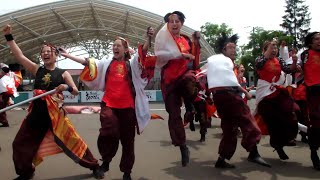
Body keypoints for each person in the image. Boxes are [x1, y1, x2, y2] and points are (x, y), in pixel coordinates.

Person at [3, 24, 104, 180]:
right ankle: (26, 173)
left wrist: (66, 88)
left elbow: (75, 90)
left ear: (56, 55)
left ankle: (95, 166)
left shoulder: (63, 73)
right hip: (35, 116)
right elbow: (20, 56)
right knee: (19, 144)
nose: (45, 53)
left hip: (56, 118)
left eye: (48, 51)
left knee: (75, 143)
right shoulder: (37, 69)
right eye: (43, 52)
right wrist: (9, 37)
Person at [60, 27, 155, 180]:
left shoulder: (133, 64)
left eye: (118, 45)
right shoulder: (106, 63)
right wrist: (67, 55)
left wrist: (148, 38)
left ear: (125, 49)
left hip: (128, 108)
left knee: (127, 142)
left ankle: (127, 172)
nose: (115, 47)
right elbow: (88, 62)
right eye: (113, 45)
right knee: (108, 132)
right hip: (109, 104)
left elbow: (142, 52)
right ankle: (106, 160)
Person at [206, 33, 271, 168]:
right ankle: (253, 153)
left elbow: (228, 80)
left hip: (221, 98)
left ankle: (222, 159)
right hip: (228, 96)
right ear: (223, 50)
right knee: (246, 118)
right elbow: (229, 82)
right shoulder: (222, 62)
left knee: (229, 129)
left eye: (235, 47)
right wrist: (245, 91)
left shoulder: (223, 64)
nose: (234, 50)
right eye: (230, 47)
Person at [154, 11, 201, 167]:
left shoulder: (186, 40)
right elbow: (160, 55)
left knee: (190, 81)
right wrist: (180, 55)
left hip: (184, 75)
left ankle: (190, 106)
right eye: (171, 21)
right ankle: (182, 146)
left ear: (181, 23)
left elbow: (194, 59)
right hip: (169, 80)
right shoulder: (164, 40)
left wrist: (196, 43)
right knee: (174, 115)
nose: (174, 23)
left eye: (177, 21)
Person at [255, 40, 300, 161]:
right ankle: (278, 147)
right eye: (271, 48)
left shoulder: (279, 60)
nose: (274, 50)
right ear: (264, 50)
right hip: (265, 94)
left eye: (275, 48)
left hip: (279, 91)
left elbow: (288, 70)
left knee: (294, 110)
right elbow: (258, 66)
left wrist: (295, 61)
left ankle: (289, 138)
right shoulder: (260, 59)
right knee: (273, 123)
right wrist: (267, 54)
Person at [298, 32, 320, 170]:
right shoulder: (305, 55)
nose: (319, 41)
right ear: (310, 42)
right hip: (313, 94)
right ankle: (314, 153)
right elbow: (292, 68)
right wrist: (296, 66)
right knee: (316, 124)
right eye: (317, 39)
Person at [0, 63, 21, 127]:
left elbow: (3, 89)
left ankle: (5, 122)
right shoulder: (10, 76)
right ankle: (4, 122)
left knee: (1, 108)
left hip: (4, 94)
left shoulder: (4, 78)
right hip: (7, 94)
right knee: (2, 108)